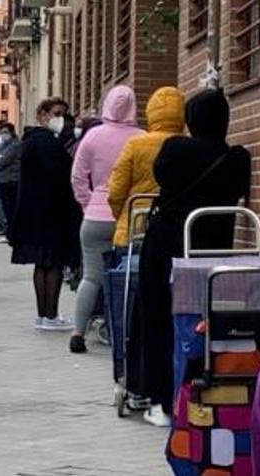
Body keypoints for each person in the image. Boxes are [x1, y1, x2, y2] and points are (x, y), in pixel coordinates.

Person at [129, 89, 251, 427]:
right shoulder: (236, 157)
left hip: (166, 243)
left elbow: (162, 176)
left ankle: (159, 397)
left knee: (157, 317)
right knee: (204, 323)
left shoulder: (175, 148)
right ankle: (202, 392)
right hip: (212, 250)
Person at [68, 86, 144, 353]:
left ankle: (78, 332)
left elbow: (78, 177)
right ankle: (122, 334)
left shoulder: (93, 136)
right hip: (131, 216)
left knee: (91, 277)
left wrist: (89, 203)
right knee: (129, 279)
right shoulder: (142, 138)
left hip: (95, 217)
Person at [9, 99, 83, 331]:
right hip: (51, 211)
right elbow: (59, 173)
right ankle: (50, 315)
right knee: (53, 265)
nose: (60, 119)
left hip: (35, 211)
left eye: (64, 114)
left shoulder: (32, 140)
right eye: (56, 113)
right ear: (42, 114)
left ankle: (44, 315)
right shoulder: (46, 142)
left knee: (42, 264)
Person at [107, 86, 186, 248]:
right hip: (175, 227)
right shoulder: (187, 145)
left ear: (151, 112)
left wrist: (122, 214)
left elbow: (117, 189)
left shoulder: (135, 144)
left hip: (136, 224)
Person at [0, 123, 21, 241]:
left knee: (10, 207)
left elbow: (4, 160)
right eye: (2, 132)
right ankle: (7, 231)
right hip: (3, 179)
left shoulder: (15, 144)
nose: (3, 135)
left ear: (12, 132)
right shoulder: (3, 144)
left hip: (12, 179)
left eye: (6, 132)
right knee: (4, 206)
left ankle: (11, 233)